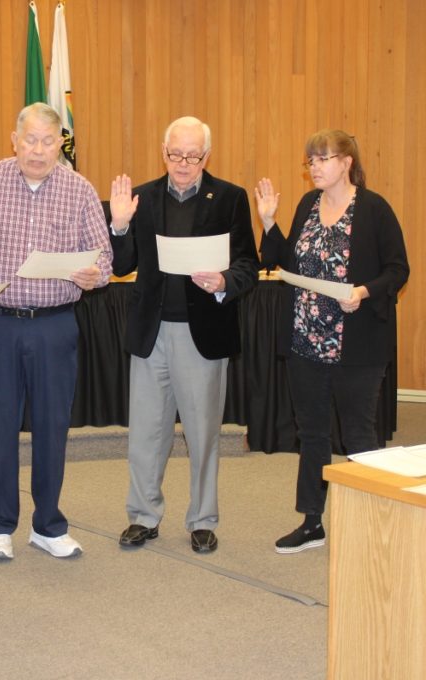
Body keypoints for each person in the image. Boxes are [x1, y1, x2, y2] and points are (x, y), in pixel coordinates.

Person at [0, 103, 113, 560]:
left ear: (59, 145)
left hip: (55, 326)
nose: (38, 150)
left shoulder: (79, 189)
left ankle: (48, 524)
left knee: (53, 427)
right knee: (0, 426)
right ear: (14, 140)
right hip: (0, 325)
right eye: (30, 139)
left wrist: (94, 275)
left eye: (48, 141)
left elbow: (104, 260)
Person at [109, 116, 259, 554]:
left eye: (193, 156)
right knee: (146, 433)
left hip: (204, 334)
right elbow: (121, 266)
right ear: (164, 150)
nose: (183, 163)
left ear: (206, 156)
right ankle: (143, 516)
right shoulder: (144, 198)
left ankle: (202, 520)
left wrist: (224, 281)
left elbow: (248, 265)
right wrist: (119, 226)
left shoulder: (229, 198)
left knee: (203, 433)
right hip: (151, 333)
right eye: (175, 154)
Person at [254, 130, 409, 553]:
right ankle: (312, 521)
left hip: (356, 343)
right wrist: (269, 223)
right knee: (313, 432)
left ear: (347, 162)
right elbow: (283, 262)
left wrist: (363, 292)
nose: (315, 166)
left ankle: (374, 521)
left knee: (359, 433)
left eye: (323, 158)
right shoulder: (307, 205)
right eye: (311, 160)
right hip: (306, 340)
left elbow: (398, 270)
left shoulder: (374, 209)